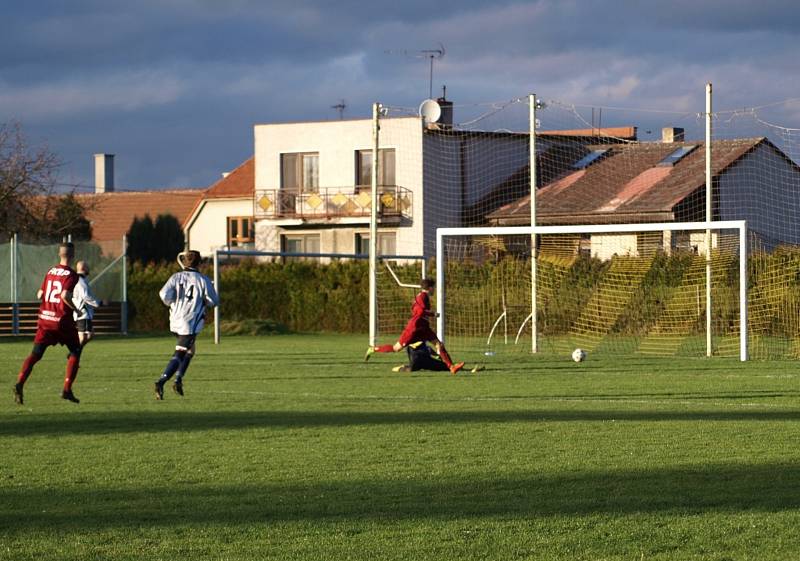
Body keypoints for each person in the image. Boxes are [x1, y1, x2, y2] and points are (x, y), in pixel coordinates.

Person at [13, 242, 82, 405]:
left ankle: (19, 383)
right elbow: (65, 294)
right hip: (62, 321)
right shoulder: (72, 275)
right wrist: (77, 310)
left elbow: (39, 294)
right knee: (75, 351)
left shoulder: (50, 271)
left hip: (45, 319)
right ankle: (66, 389)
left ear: (59, 254)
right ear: (72, 255)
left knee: (35, 354)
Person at [154, 250, 218, 400]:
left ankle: (178, 380)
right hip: (190, 321)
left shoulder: (175, 277)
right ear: (199, 263)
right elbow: (214, 301)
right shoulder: (203, 280)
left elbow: (163, 294)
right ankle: (161, 381)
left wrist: (172, 302)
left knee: (190, 351)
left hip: (175, 319)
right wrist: (204, 302)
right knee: (180, 353)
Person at [364, 278, 464, 374]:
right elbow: (420, 312)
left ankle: (452, 367)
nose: (435, 289)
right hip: (414, 327)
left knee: (439, 344)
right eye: (434, 287)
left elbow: (416, 310)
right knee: (396, 348)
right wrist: (433, 314)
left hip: (423, 327)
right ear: (430, 288)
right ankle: (373, 349)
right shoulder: (423, 296)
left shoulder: (422, 296)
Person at [392, 341, 484, 373]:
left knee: (413, 368)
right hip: (420, 358)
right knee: (413, 368)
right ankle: (458, 368)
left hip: (420, 359)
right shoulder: (417, 330)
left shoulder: (416, 329)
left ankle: (469, 370)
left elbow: (427, 348)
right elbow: (428, 348)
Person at [72, 261, 102, 348]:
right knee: (84, 337)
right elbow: (86, 296)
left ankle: (75, 352)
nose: (89, 269)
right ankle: (74, 353)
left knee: (89, 335)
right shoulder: (81, 281)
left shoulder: (79, 279)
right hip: (83, 312)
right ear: (84, 268)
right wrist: (99, 303)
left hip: (81, 312)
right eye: (88, 267)